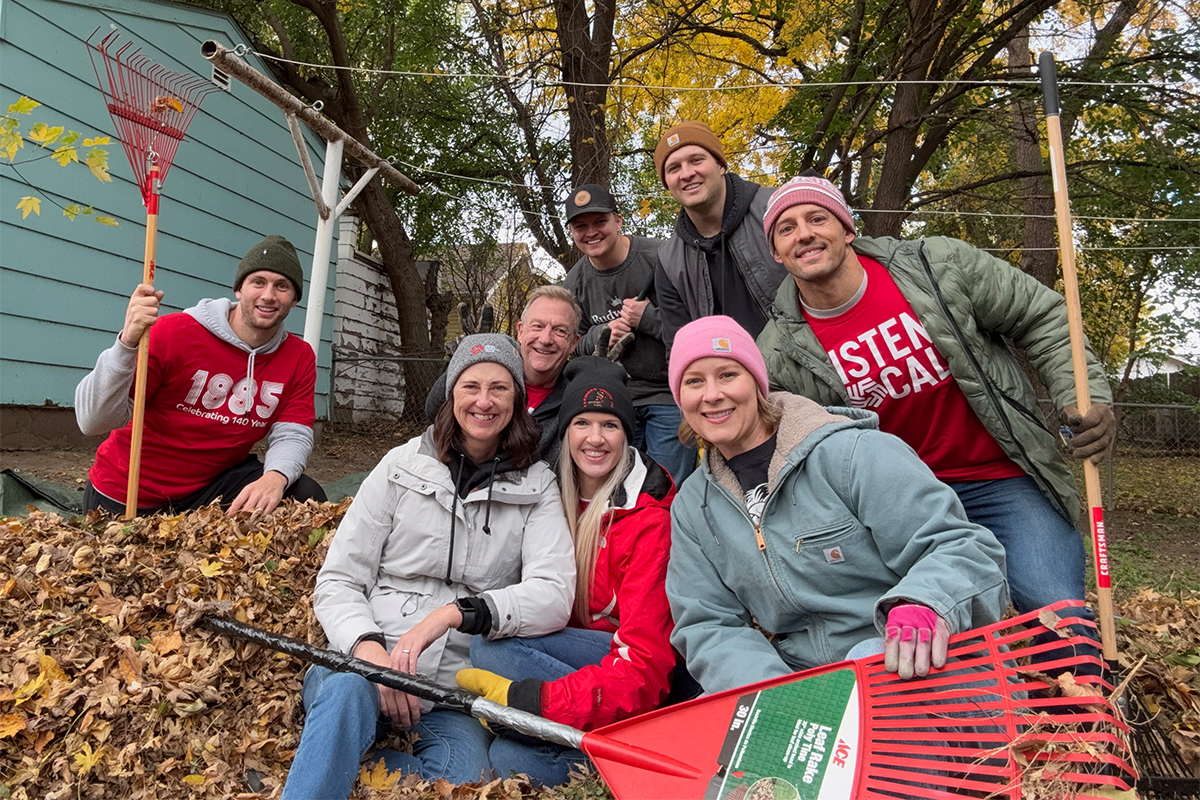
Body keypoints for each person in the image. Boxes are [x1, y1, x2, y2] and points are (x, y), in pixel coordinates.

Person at [754, 172, 1116, 652]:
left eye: (817, 218)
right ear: (777, 253)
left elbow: (1043, 316)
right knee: (911, 632)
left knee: (1056, 617)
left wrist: (1082, 393)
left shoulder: (936, 266)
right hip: (898, 505)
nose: (804, 233)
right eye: (786, 228)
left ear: (847, 229)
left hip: (1000, 475)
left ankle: (1086, 714)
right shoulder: (778, 351)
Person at [282, 334, 576, 799]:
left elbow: (554, 593)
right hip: (366, 664)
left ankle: (335, 763)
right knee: (343, 695)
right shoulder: (400, 466)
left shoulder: (536, 484)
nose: (484, 401)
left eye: (499, 388)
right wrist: (371, 654)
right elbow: (340, 578)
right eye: (471, 386)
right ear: (451, 394)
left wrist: (461, 612)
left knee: (461, 780)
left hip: (449, 693)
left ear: (517, 399)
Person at [665, 316, 1010, 693]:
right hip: (810, 684)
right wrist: (776, 696)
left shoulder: (853, 455)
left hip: (920, 666)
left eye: (728, 375)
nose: (712, 394)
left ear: (757, 383)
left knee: (867, 658)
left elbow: (965, 548)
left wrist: (926, 603)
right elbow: (707, 623)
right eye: (694, 381)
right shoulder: (694, 508)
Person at [455, 357, 683, 787]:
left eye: (610, 425)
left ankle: (636, 740)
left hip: (636, 680)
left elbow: (645, 666)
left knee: (492, 653)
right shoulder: (549, 497)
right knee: (509, 760)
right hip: (578, 668)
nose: (595, 439)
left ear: (627, 434)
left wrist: (534, 700)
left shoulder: (649, 519)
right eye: (582, 423)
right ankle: (588, 742)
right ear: (565, 431)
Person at [75, 235, 325, 515]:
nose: (268, 295)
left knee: (303, 495)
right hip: (130, 491)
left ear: (294, 300)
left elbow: (293, 433)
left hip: (212, 490)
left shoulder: (298, 356)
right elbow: (93, 421)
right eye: (258, 282)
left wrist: (275, 477)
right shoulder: (174, 333)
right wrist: (127, 344)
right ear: (239, 290)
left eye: (282, 286)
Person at [562, 184, 698, 482]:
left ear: (618, 220)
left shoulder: (662, 257)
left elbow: (697, 328)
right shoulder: (573, 283)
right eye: (580, 226)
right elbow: (573, 344)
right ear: (572, 233)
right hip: (614, 401)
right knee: (620, 488)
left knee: (666, 486)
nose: (591, 232)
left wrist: (647, 319)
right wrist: (601, 333)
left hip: (670, 395)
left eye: (600, 222)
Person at [652, 121, 787, 350]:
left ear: (721, 165)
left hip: (815, 361)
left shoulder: (777, 210)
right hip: (736, 380)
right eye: (674, 168)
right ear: (667, 183)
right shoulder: (669, 263)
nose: (687, 174)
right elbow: (680, 350)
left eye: (697, 160)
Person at [427, 286, 581, 465]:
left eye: (560, 331)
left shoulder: (575, 397)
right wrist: (470, 361)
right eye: (537, 326)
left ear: (573, 343)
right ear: (521, 332)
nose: (546, 339)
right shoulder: (492, 374)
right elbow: (434, 411)